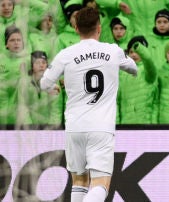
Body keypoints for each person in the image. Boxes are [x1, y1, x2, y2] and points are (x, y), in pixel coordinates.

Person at [40, 7, 137, 202]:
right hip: (100, 127)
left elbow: (44, 84)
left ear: (76, 28)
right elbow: (133, 68)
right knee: (101, 184)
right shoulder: (112, 51)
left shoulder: (66, 54)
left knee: (80, 181)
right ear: (99, 28)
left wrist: (56, 86)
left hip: (75, 127)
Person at [117, 35, 158, 124]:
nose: (134, 54)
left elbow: (148, 61)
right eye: (131, 52)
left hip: (146, 124)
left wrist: (141, 49)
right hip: (126, 125)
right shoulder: (122, 73)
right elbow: (117, 102)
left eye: (137, 52)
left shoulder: (148, 71)